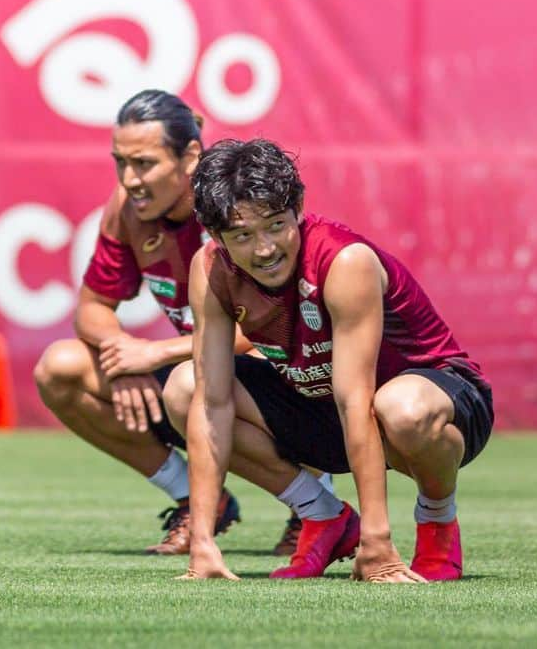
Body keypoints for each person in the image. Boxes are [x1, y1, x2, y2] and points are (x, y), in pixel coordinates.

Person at [173, 138, 494, 582]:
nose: (264, 249)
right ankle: (324, 516)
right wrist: (203, 544)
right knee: (184, 388)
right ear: (215, 235)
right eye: (242, 235)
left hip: (432, 399)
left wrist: (378, 544)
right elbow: (212, 404)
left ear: (299, 208)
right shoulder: (210, 268)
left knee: (399, 409)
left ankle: (437, 520)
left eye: (275, 225)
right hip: (325, 405)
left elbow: (355, 400)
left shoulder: (344, 261)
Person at [34, 91, 325, 556]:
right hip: (201, 369)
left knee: (191, 382)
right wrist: (123, 356)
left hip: (284, 377)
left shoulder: (237, 208)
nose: (130, 180)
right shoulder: (127, 209)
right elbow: (91, 307)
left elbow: (278, 328)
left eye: (144, 163)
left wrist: (156, 353)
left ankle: (315, 507)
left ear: (191, 156)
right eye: (120, 163)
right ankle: (196, 501)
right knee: (60, 368)